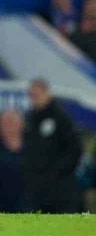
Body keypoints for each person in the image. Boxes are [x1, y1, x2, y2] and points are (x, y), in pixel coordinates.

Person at [24, 79, 82, 213]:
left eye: (37, 95)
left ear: (47, 94)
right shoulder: (31, 118)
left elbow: (75, 150)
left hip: (61, 188)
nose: (34, 99)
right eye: (31, 95)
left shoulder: (61, 117)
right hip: (38, 188)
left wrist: (56, 172)